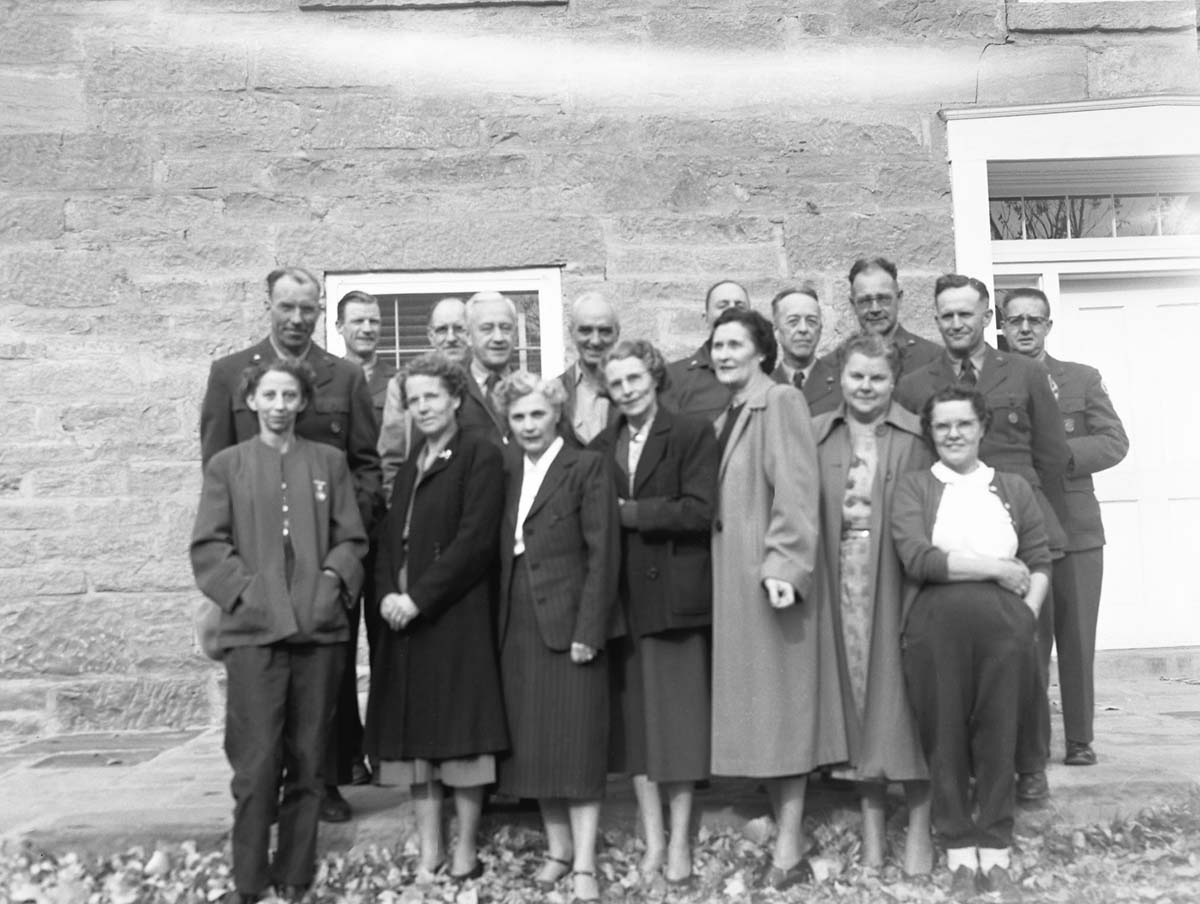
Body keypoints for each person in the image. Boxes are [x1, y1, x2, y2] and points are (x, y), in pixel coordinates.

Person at [199, 266, 382, 822]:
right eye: (287, 307)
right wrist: (228, 575)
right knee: (260, 679)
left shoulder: (345, 377)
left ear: (320, 311)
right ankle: (263, 783)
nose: (298, 319)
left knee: (326, 676)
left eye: (309, 308)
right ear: (269, 305)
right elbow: (216, 470)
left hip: (322, 561)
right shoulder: (229, 373)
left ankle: (324, 781)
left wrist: (342, 553)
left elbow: (367, 468)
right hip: (256, 565)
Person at [191, 359, 368, 904]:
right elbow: (209, 547)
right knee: (256, 762)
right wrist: (248, 595)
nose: (279, 406)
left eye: (289, 395)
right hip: (254, 635)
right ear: (252, 400)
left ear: (302, 402)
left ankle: (294, 874)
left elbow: (351, 538)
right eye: (269, 395)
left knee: (311, 760)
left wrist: (331, 582)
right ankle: (248, 880)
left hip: (317, 632)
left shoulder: (329, 462)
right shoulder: (227, 465)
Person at [896, 273, 1070, 804]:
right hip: (951, 533)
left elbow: (1050, 456)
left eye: (965, 314)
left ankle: (1029, 763)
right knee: (959, 665)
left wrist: (1046, 537)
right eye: (946, 315)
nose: (955, 324)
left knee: (1026, 656)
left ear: (985, 315)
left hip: (1019, 519)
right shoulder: (914, 384)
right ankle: (970, 763)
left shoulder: (1022, 371)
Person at [892, 387, 1051, 900]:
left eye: (963, 424)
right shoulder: (916, 487)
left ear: (982, 427)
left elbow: (1040, 559)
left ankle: (997, 842)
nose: (954, 434)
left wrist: (1024, 619)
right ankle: (959, 844)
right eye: (943, 426)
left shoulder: (1011, 486)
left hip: (1006, 627)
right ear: (930, 433)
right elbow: (919, 558)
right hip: (935, 626)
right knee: (945, 735)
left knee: (1000, 731)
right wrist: (996, 569)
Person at [707, 307, 845, 889]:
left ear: (763, 352)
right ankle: (780, 836)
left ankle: (788, 849)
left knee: (782, 712)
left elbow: (796, 489)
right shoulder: (731, 412)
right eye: (716, 345)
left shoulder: (780, 402)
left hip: (771, 585)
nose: (723, 354)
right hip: (738, 585)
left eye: (735, 344)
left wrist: (785, 565)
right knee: (764, 712)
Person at [364, 352, 508, 882]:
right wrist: (385, 596)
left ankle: (465, 848)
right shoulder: (410, 465)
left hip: (453, 616)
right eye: (414, 399)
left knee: (461, 739)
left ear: (455, 399)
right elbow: (388, 541)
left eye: (432, 397)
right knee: (416, 744)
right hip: (402, 623)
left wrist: (419, 598)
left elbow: (474, 542)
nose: (423, 407)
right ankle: (430, 849)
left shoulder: (479, 453)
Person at [591, 340, 717, 886]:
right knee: (640, 729)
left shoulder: (690, 433)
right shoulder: (601, 445)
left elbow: (699, 510)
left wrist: (631, 513)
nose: (627, 391)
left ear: (655, 377)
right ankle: (653, 838)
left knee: (680, 727)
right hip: (626, 602)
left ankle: (682, 839)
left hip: (675, 599)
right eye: (617, 384)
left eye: (635, 380)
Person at [494, 372, 620, 904]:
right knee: (536, 747)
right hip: (517, 621)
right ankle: (558, 849)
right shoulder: (504, 469)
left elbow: (603, 554)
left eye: (537, 414)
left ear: (556, 414)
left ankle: (586, 860)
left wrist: (589, 629)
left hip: (570, 621)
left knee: (578, 744)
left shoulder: (585, 466)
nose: (528, 425)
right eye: (518, 416)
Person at [812, 333, 934, 874]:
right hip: (839, 577)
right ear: (841, 377)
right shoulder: (819, 434)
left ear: (893, 381)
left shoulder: (915, 435)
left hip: (899, 576)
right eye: (857, 375)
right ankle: (871, 831)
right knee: (857, 698)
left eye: (877, 377)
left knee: (904, 697)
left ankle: (921, 830)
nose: (866, 386)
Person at [1001, 288, 1129, 767]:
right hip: (1015, 530)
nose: (1026, 328)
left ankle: (1079, 740)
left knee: (1076, 640)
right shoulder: (990, 381)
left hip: (1075, 529)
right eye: (1016, 320)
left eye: (1036, 320)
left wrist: (1060, 458)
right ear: (1003, 326)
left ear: (1049, 326)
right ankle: (1028, 744)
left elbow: (1114, 441)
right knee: (1025, 641)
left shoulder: (1080, 378)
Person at [331, 289, 394, 786]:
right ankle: (348, 752)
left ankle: (387, 748)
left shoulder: (399, 383)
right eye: (358, 321)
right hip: (344, 531)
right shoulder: (328, 384)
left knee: (388, 641)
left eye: (374, 321)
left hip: (388, 529)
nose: (367, 329)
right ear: (340, 326)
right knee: (342, 645)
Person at [378, 297, 468, 494]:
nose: (451, 338)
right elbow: (391, 458)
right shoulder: (403, 384)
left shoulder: (487, 383)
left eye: (459, 328)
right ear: (430, 336)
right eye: (442, 330)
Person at [823, 257, 943, 381]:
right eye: (865, 301)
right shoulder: (831, 366)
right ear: (853, 305)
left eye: (883, 299)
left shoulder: (933, 359)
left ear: (899, 299)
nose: (875, 309)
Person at [662, 279, 751, 421]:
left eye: (740, 306)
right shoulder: (675, 377)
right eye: (722, 305)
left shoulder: (766, 374)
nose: (732, 310)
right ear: (706, 317)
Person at [557, 292, 621, 446]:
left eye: (604, 331)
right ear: (571, 332)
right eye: (586, 330)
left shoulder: (635, 390)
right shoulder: (555, 391)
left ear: (617, 333)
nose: (595, 341)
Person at [768, 286, 840, 415]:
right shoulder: (765, 390)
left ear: (820, 330)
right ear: (776, 331)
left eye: (811, 321)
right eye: (793, 322)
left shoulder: (842, 384)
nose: (803, 329)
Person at [461, 291, 519, 446]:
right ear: (467, 336)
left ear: (515, 334)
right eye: (487, 329)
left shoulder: (532, 391)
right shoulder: (452, 392)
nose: (498, 338)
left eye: (506, 328)